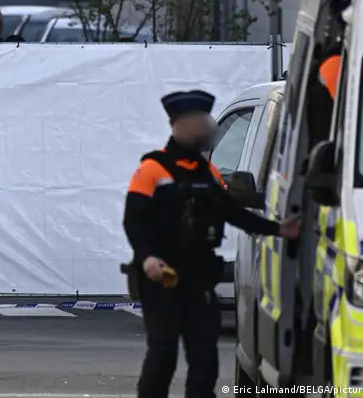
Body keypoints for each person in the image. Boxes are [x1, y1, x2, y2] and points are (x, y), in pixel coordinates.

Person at [124, 89, 302, 398]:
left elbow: (233, 212)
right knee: (163, 355)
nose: (208, 128)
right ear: (180, 125)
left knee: (205, 359)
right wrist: (147, 258)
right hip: (162, 278)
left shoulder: (208, 173)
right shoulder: (152, 170)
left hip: (199, 279)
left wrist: (278, 229)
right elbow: (133, 220)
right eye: (201, 121)